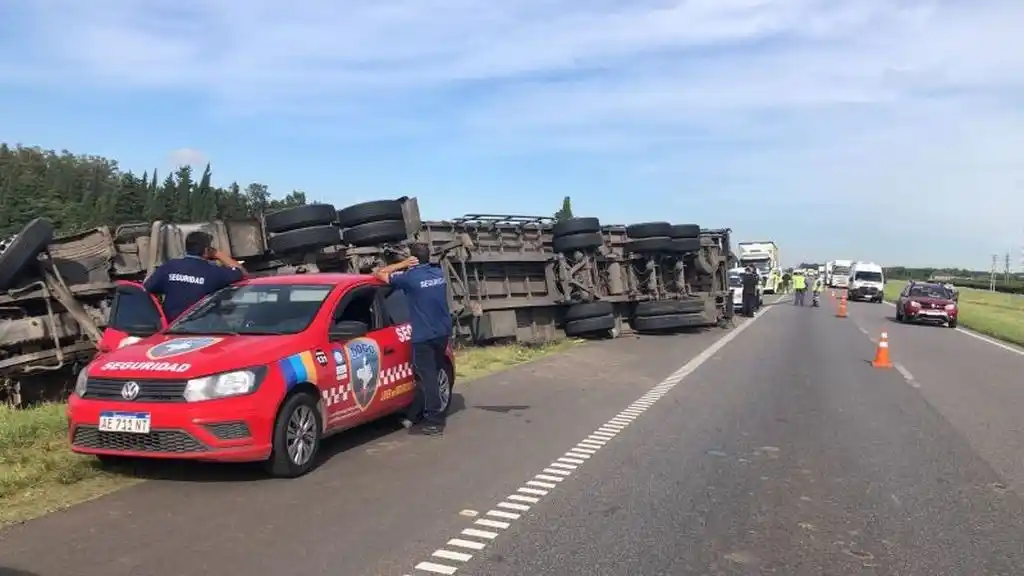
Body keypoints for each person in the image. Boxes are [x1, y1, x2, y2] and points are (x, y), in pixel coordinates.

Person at [374, 243, 452, 437]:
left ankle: (434, 422)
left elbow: (379, 273)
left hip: (424, 335)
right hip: (442, 332)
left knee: (428, 377)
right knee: (428, 374)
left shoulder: (410, 278)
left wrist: (402, 264)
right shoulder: (438, 273)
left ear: (413, 258)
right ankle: (415, 414)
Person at [144, 231, 246, 321]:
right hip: (203, 328)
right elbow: (242, 272)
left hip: (173, 329)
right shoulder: (213, 272)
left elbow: (147, 287)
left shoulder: (169, 267)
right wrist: (217, 253)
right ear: (206, 250)